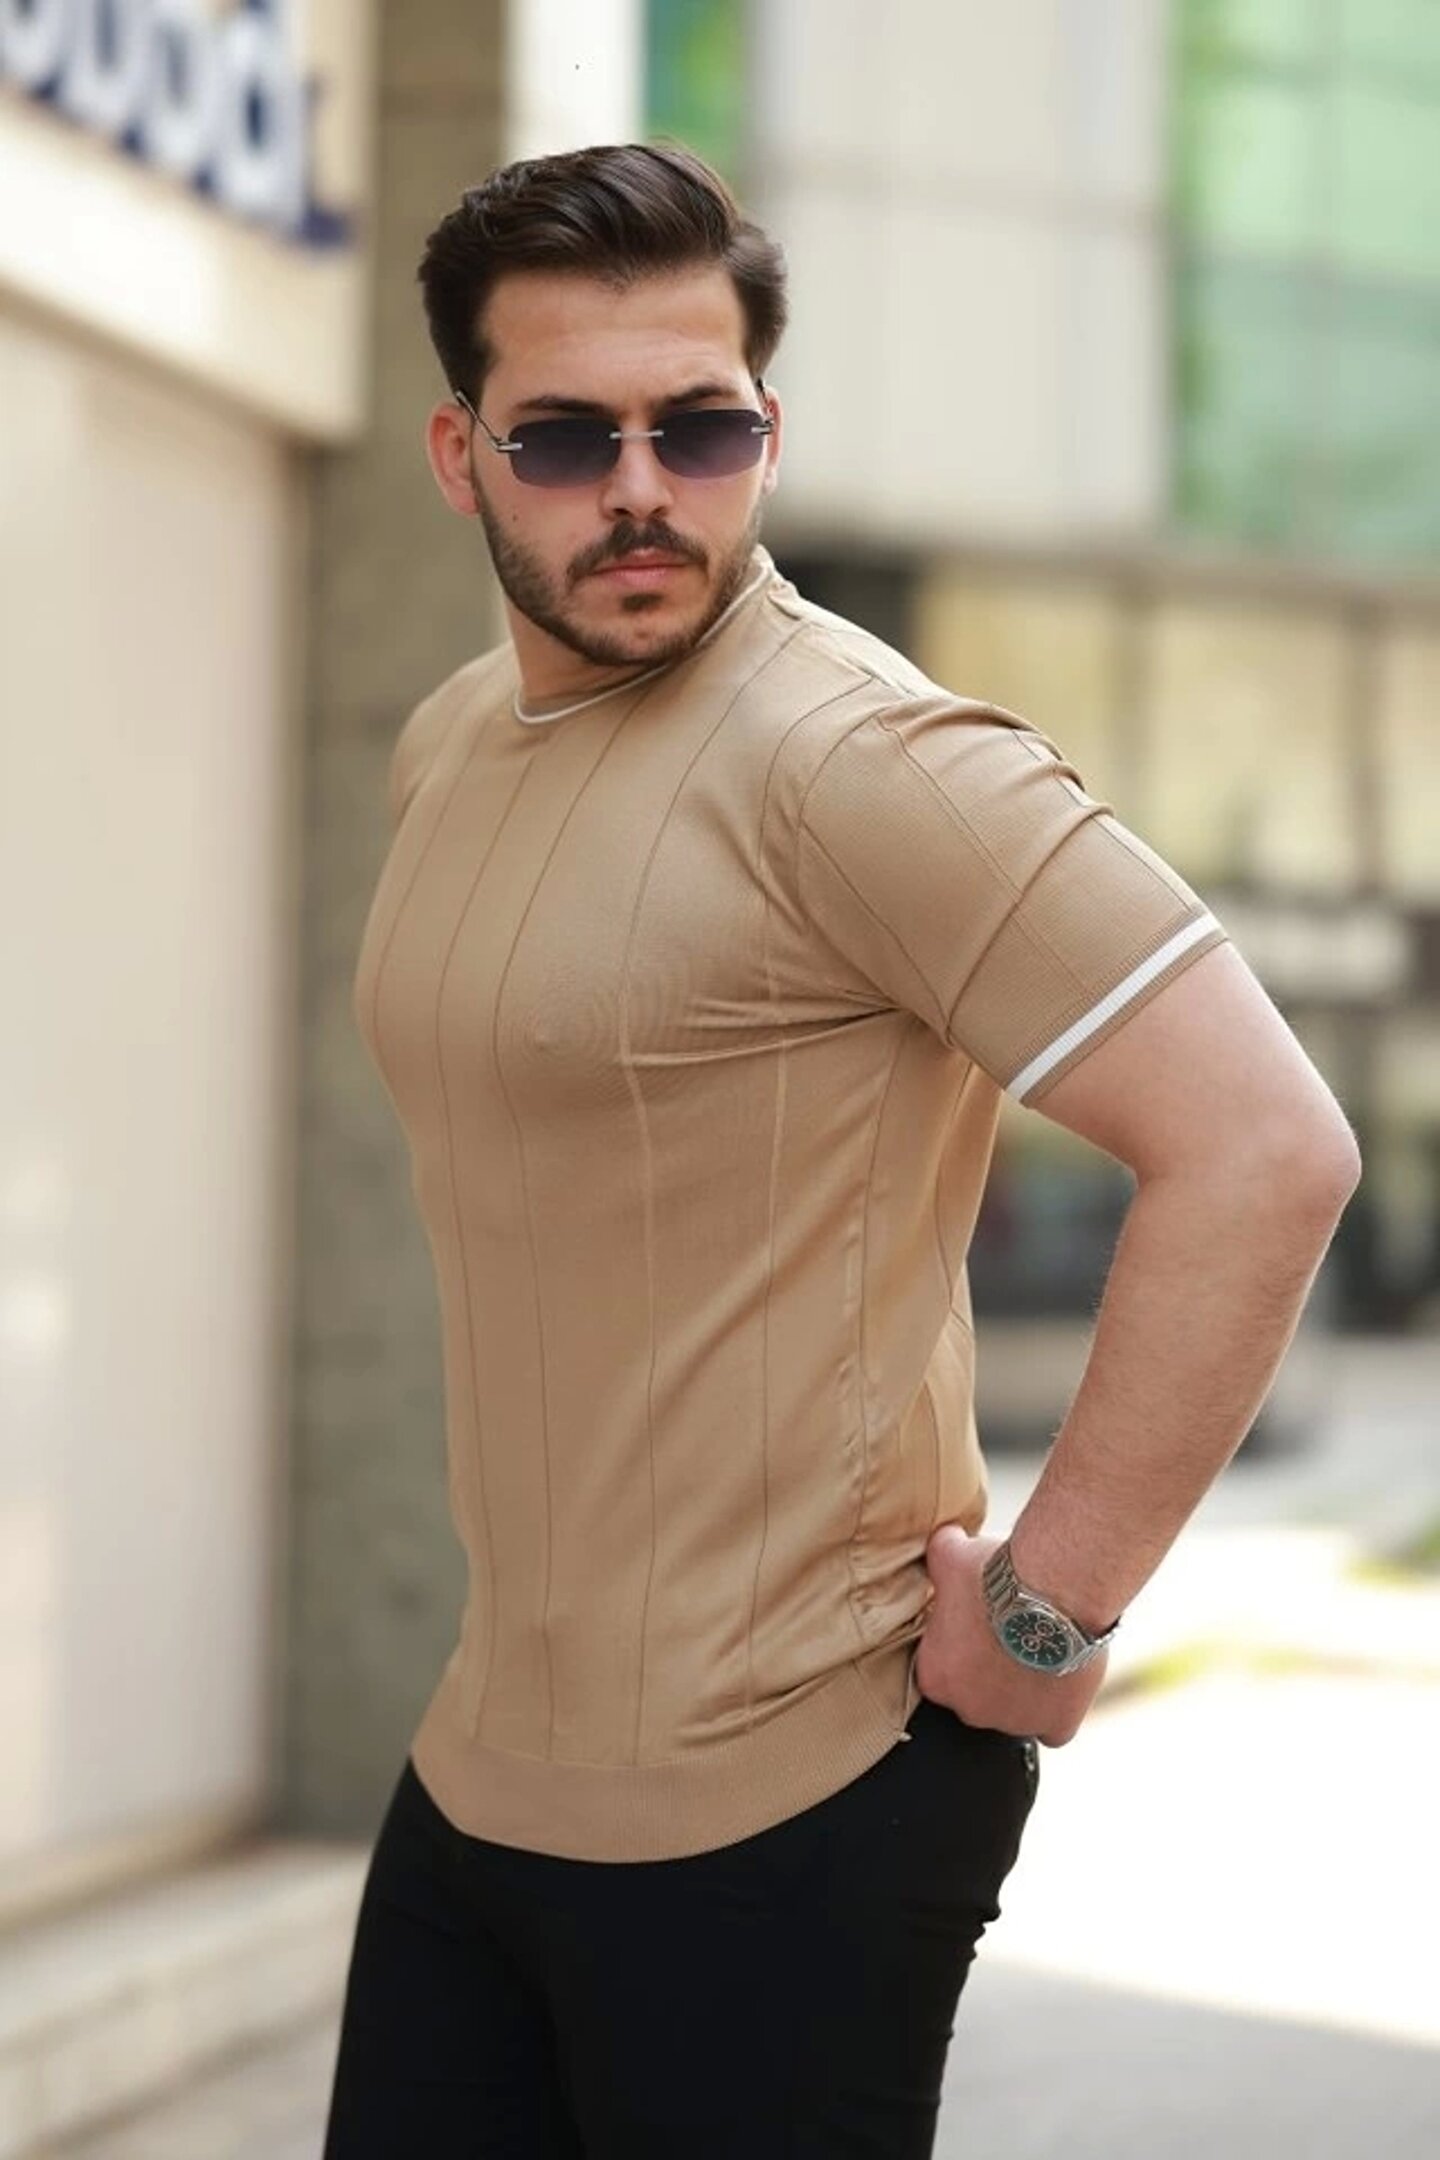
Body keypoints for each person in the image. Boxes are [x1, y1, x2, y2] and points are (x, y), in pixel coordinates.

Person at [321, 142, 1360, 2160]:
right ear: (460, 456)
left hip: (792, 1804)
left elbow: (1262, 1145)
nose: (643, 488)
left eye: (700, 428)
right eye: (568, 438)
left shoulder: (861, 763)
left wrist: (1053, 1611)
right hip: (482, 1773)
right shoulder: (451, 742)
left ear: (766, 433)